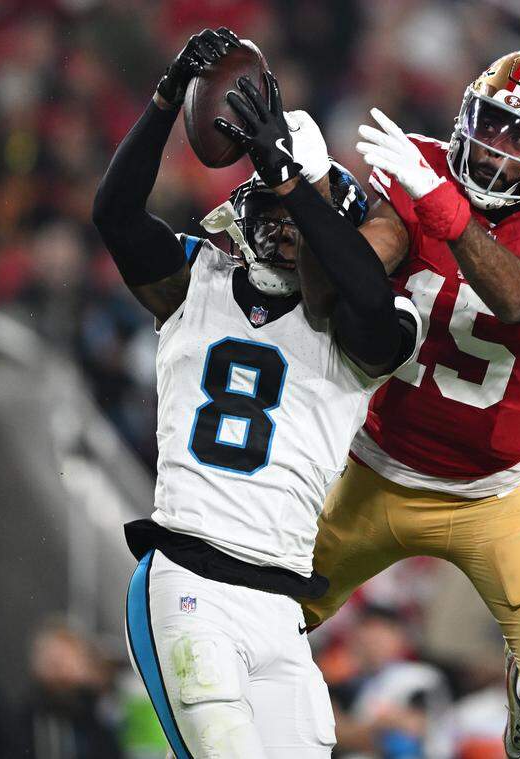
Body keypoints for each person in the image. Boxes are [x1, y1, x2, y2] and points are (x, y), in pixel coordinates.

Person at [91, 28, 423, 759]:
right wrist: (165, 101)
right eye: (270, 214)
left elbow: (366, 299)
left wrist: (293, 183)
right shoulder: (195, 282)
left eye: (297, 221)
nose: (282, 231)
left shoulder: (370, 325)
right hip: (190, 580)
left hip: (281, 608)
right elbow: (116, 215)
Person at [299, 48, 520, 758]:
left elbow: (518, 296)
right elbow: (348, 280)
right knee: (260, 623)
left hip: (492, 496)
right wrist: (307, 195)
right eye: (491, 122)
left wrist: (441, 205)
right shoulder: (420, 167)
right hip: (372, 471)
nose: (495, 148)